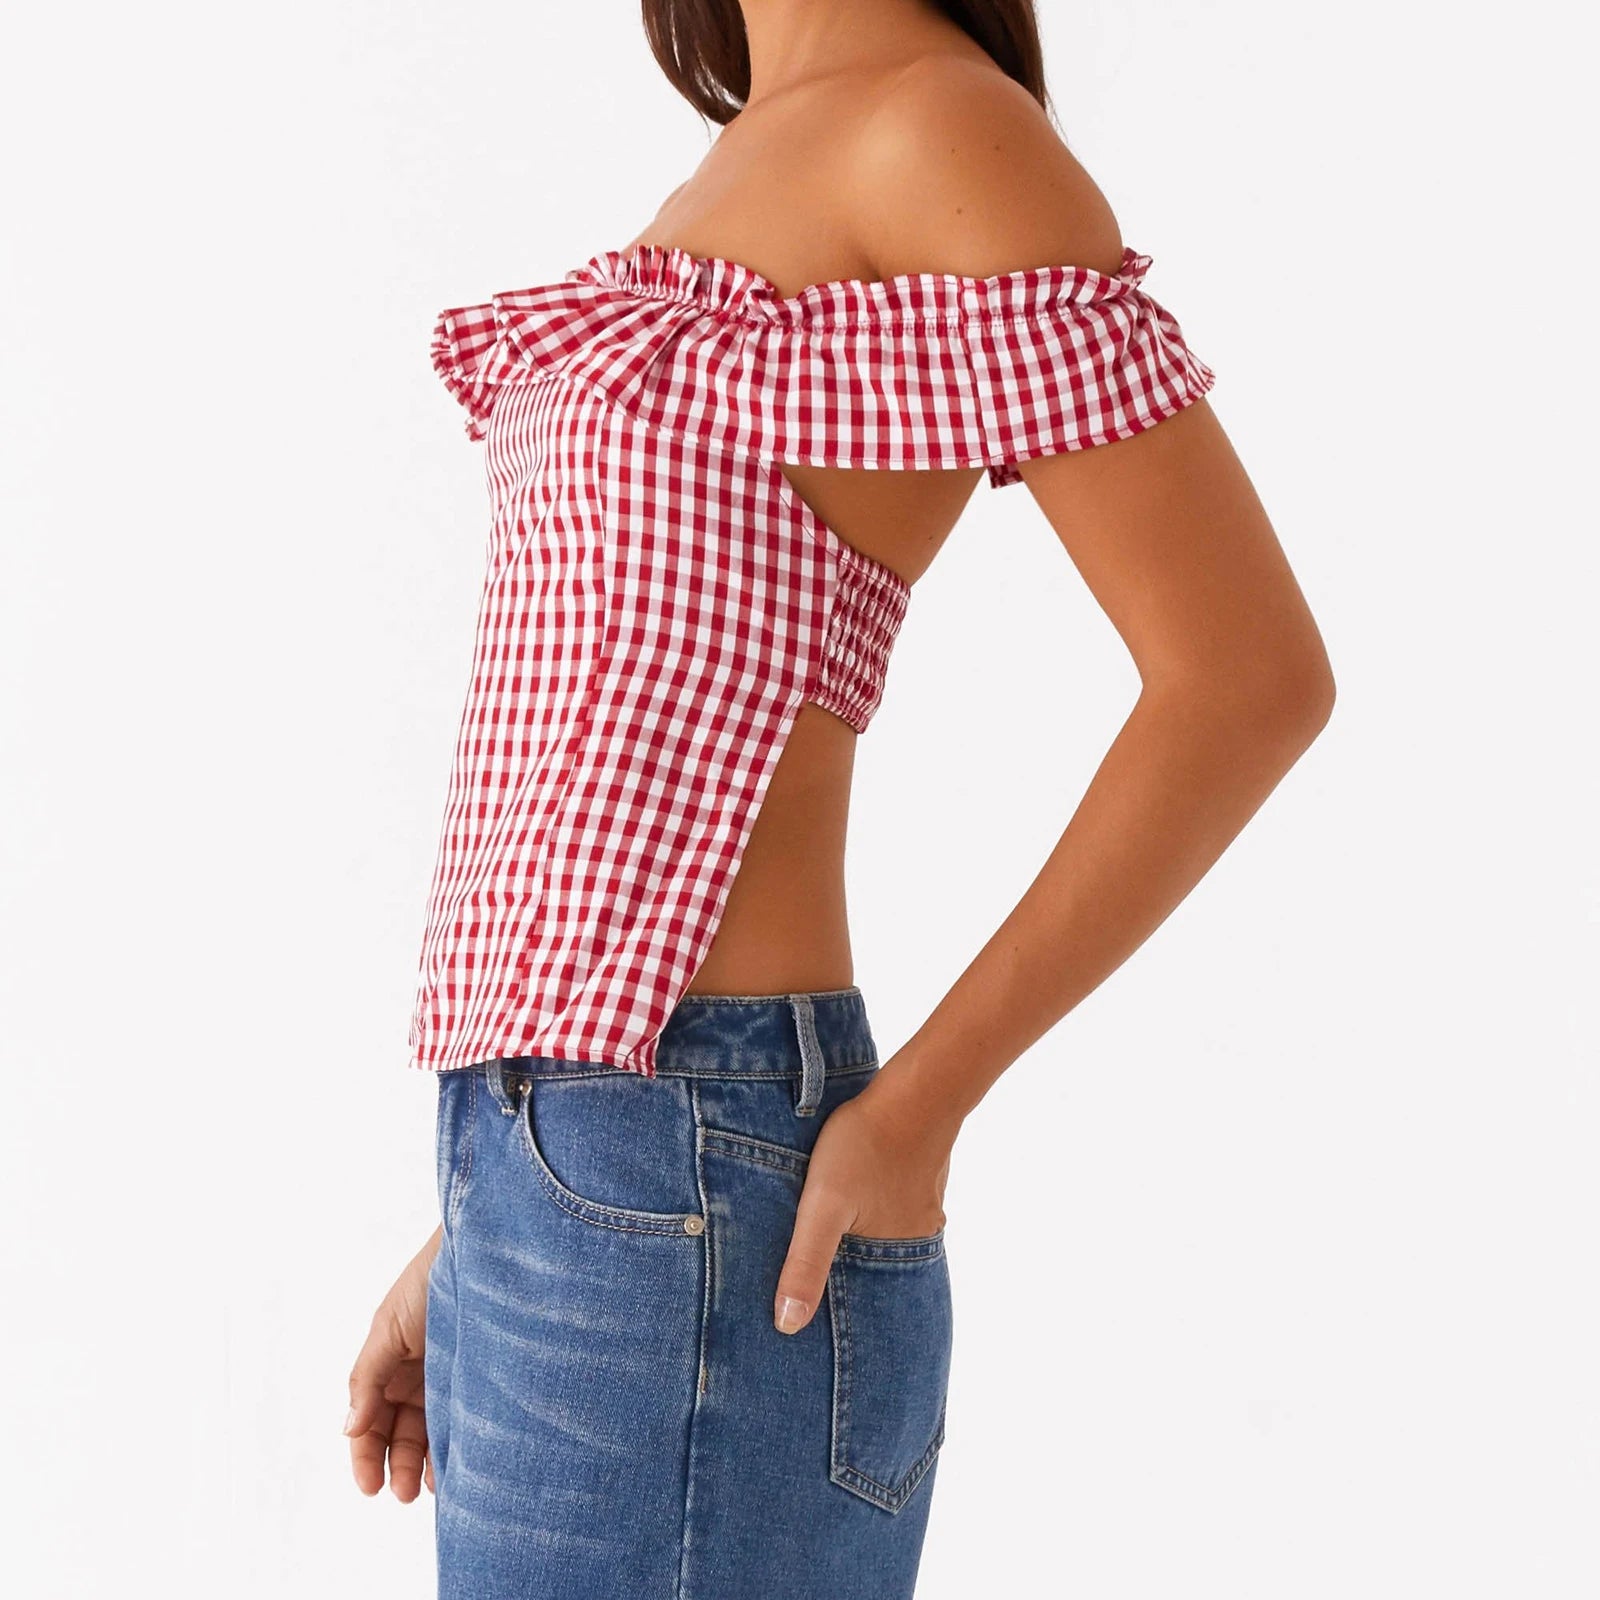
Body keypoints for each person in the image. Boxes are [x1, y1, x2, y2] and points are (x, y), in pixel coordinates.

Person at [344, 2, 1335, 1595]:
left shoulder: (934, 129)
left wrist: (919, 1113)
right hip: (564, 1164)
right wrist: (491, 1216)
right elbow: (610, 728)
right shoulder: (740, 164)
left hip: (700, 1161)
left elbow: (1247, 680)